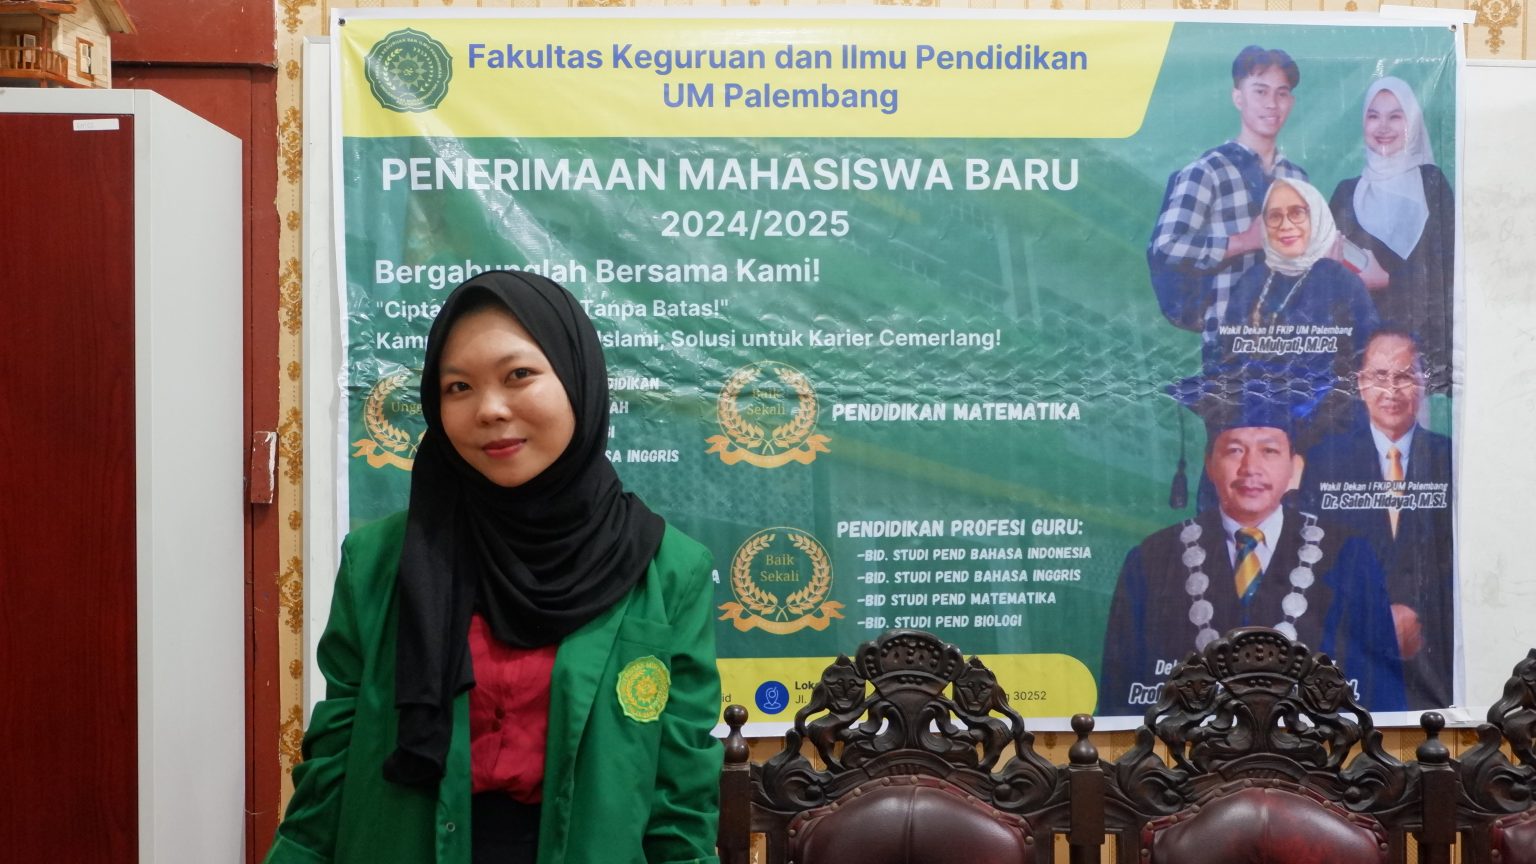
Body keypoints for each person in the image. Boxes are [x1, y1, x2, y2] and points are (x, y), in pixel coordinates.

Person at [264, 271, 722, 864]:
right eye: (458, 387)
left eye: (519, 375)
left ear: (577, 378)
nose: (490, 409)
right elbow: (331, 766)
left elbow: (680, 800)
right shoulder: (378, 562)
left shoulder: (667, 570)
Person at [1098, 365, 1405, 717]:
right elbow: (1120, 699)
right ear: (1209, 465)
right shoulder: (1152, 560)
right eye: (1234, 451)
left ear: (1295, 468)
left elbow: (1381, 694)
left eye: (1269, 451)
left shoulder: (1349, 556)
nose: (1250, 469)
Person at [1301, 329, 1453, 708]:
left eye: (1404, 376)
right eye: (1380, 376)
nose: (1391, 390)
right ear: (1360, 384)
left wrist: (1418, 615)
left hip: (1433, 651)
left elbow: (1458, 554)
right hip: (1347, 649)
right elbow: (1311, 555)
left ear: (1423, 383)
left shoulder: (1449, 459)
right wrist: (1374, 621)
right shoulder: (1326, 460)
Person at [1148, 45, 1308, 334]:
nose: (1272, 104)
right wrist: (1244, 241)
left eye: (1281, 93)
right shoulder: (1208, 171)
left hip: (1288, 338)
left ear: (1292, 102)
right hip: (1228, 339)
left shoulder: (1297, 178)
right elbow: (1165, 246)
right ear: (1238, 98)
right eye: (1260, 92)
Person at [1212, 177, 1381, 452]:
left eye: (1297, 213)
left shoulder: (1343, 282)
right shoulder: (1253, 281)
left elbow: (1366, 369)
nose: (1285, 225)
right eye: (1274, 216)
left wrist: (1322, 277)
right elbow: (1226, 362)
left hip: (1329, 439)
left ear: (1316, 217)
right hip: (1255, 434)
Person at [1330, 77, 1455, 392]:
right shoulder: (1346, 193)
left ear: (1411, 123)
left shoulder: (1431, 184)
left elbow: (1447, 271)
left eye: (1395, 116)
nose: (1383, 126)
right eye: (1373, 116)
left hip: (1420, 355)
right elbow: (1329, 285)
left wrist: (1386, 279)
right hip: (1359, 356)